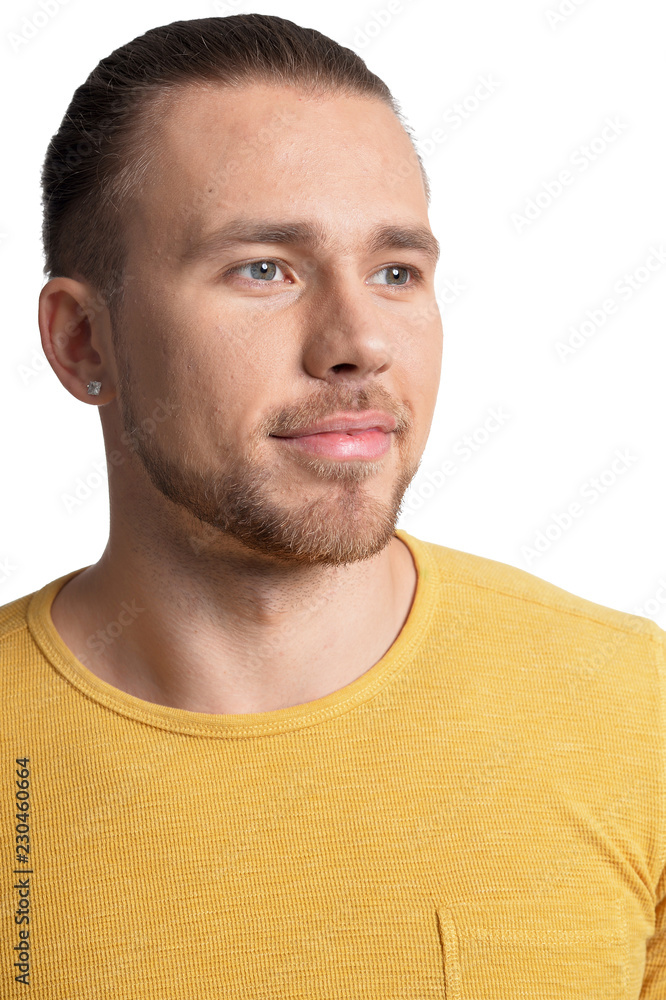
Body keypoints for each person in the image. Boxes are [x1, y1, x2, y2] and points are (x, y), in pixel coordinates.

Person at [2, 13, 664, 998]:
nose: (358, 341)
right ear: (83, 341)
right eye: (263, 268)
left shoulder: (639, 715)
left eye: (396, 272)